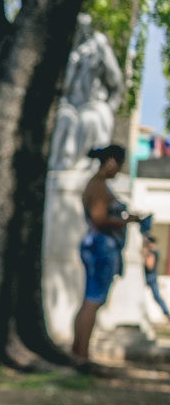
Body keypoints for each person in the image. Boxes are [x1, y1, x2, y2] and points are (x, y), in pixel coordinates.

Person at [73, 145, 142, 365]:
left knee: (89, 301)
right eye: (119, 165)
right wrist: (127, 221)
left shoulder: (98, 185)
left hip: (98, 245)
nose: (118, 170)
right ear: (111, 161)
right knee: (93, 301)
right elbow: (99, 219)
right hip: (101, 246)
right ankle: (81, 355)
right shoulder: (98, 186)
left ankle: (78, 350)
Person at [144, 238, 170, 322]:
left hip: (150, 277)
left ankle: (167, 314)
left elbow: (149, 265)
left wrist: (144, 257)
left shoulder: (152, 252)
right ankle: (167, 314)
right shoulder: (155, 251)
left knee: (157, 296)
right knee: (157, 297)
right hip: (152, 277)